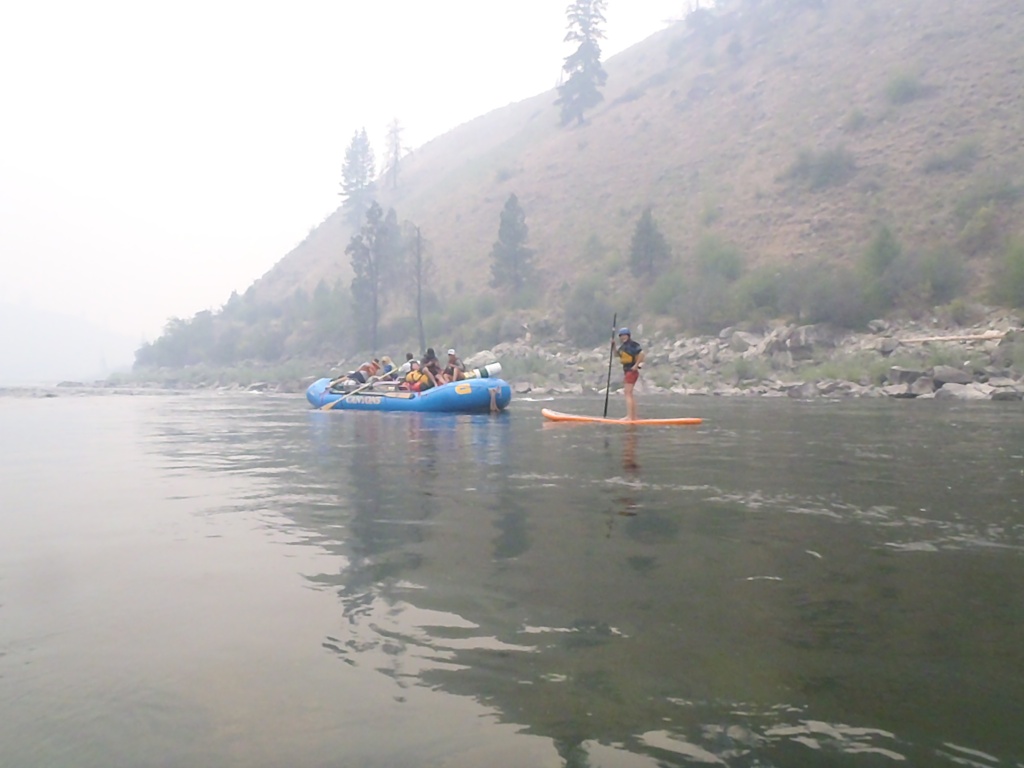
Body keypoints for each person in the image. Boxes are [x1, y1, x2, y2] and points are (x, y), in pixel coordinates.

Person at [614, 327, 645, 421]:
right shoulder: (623, 347)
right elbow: (616, 354)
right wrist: (613, 346)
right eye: (621, 336)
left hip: (631, 371)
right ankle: (633, 417)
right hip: (628, 371)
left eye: (625, 335)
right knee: (629, 393)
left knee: (627, 393)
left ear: (628, 336)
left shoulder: (633, 345)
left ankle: (630, 417)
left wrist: (636, 365)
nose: (623, 337)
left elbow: (642, 354)